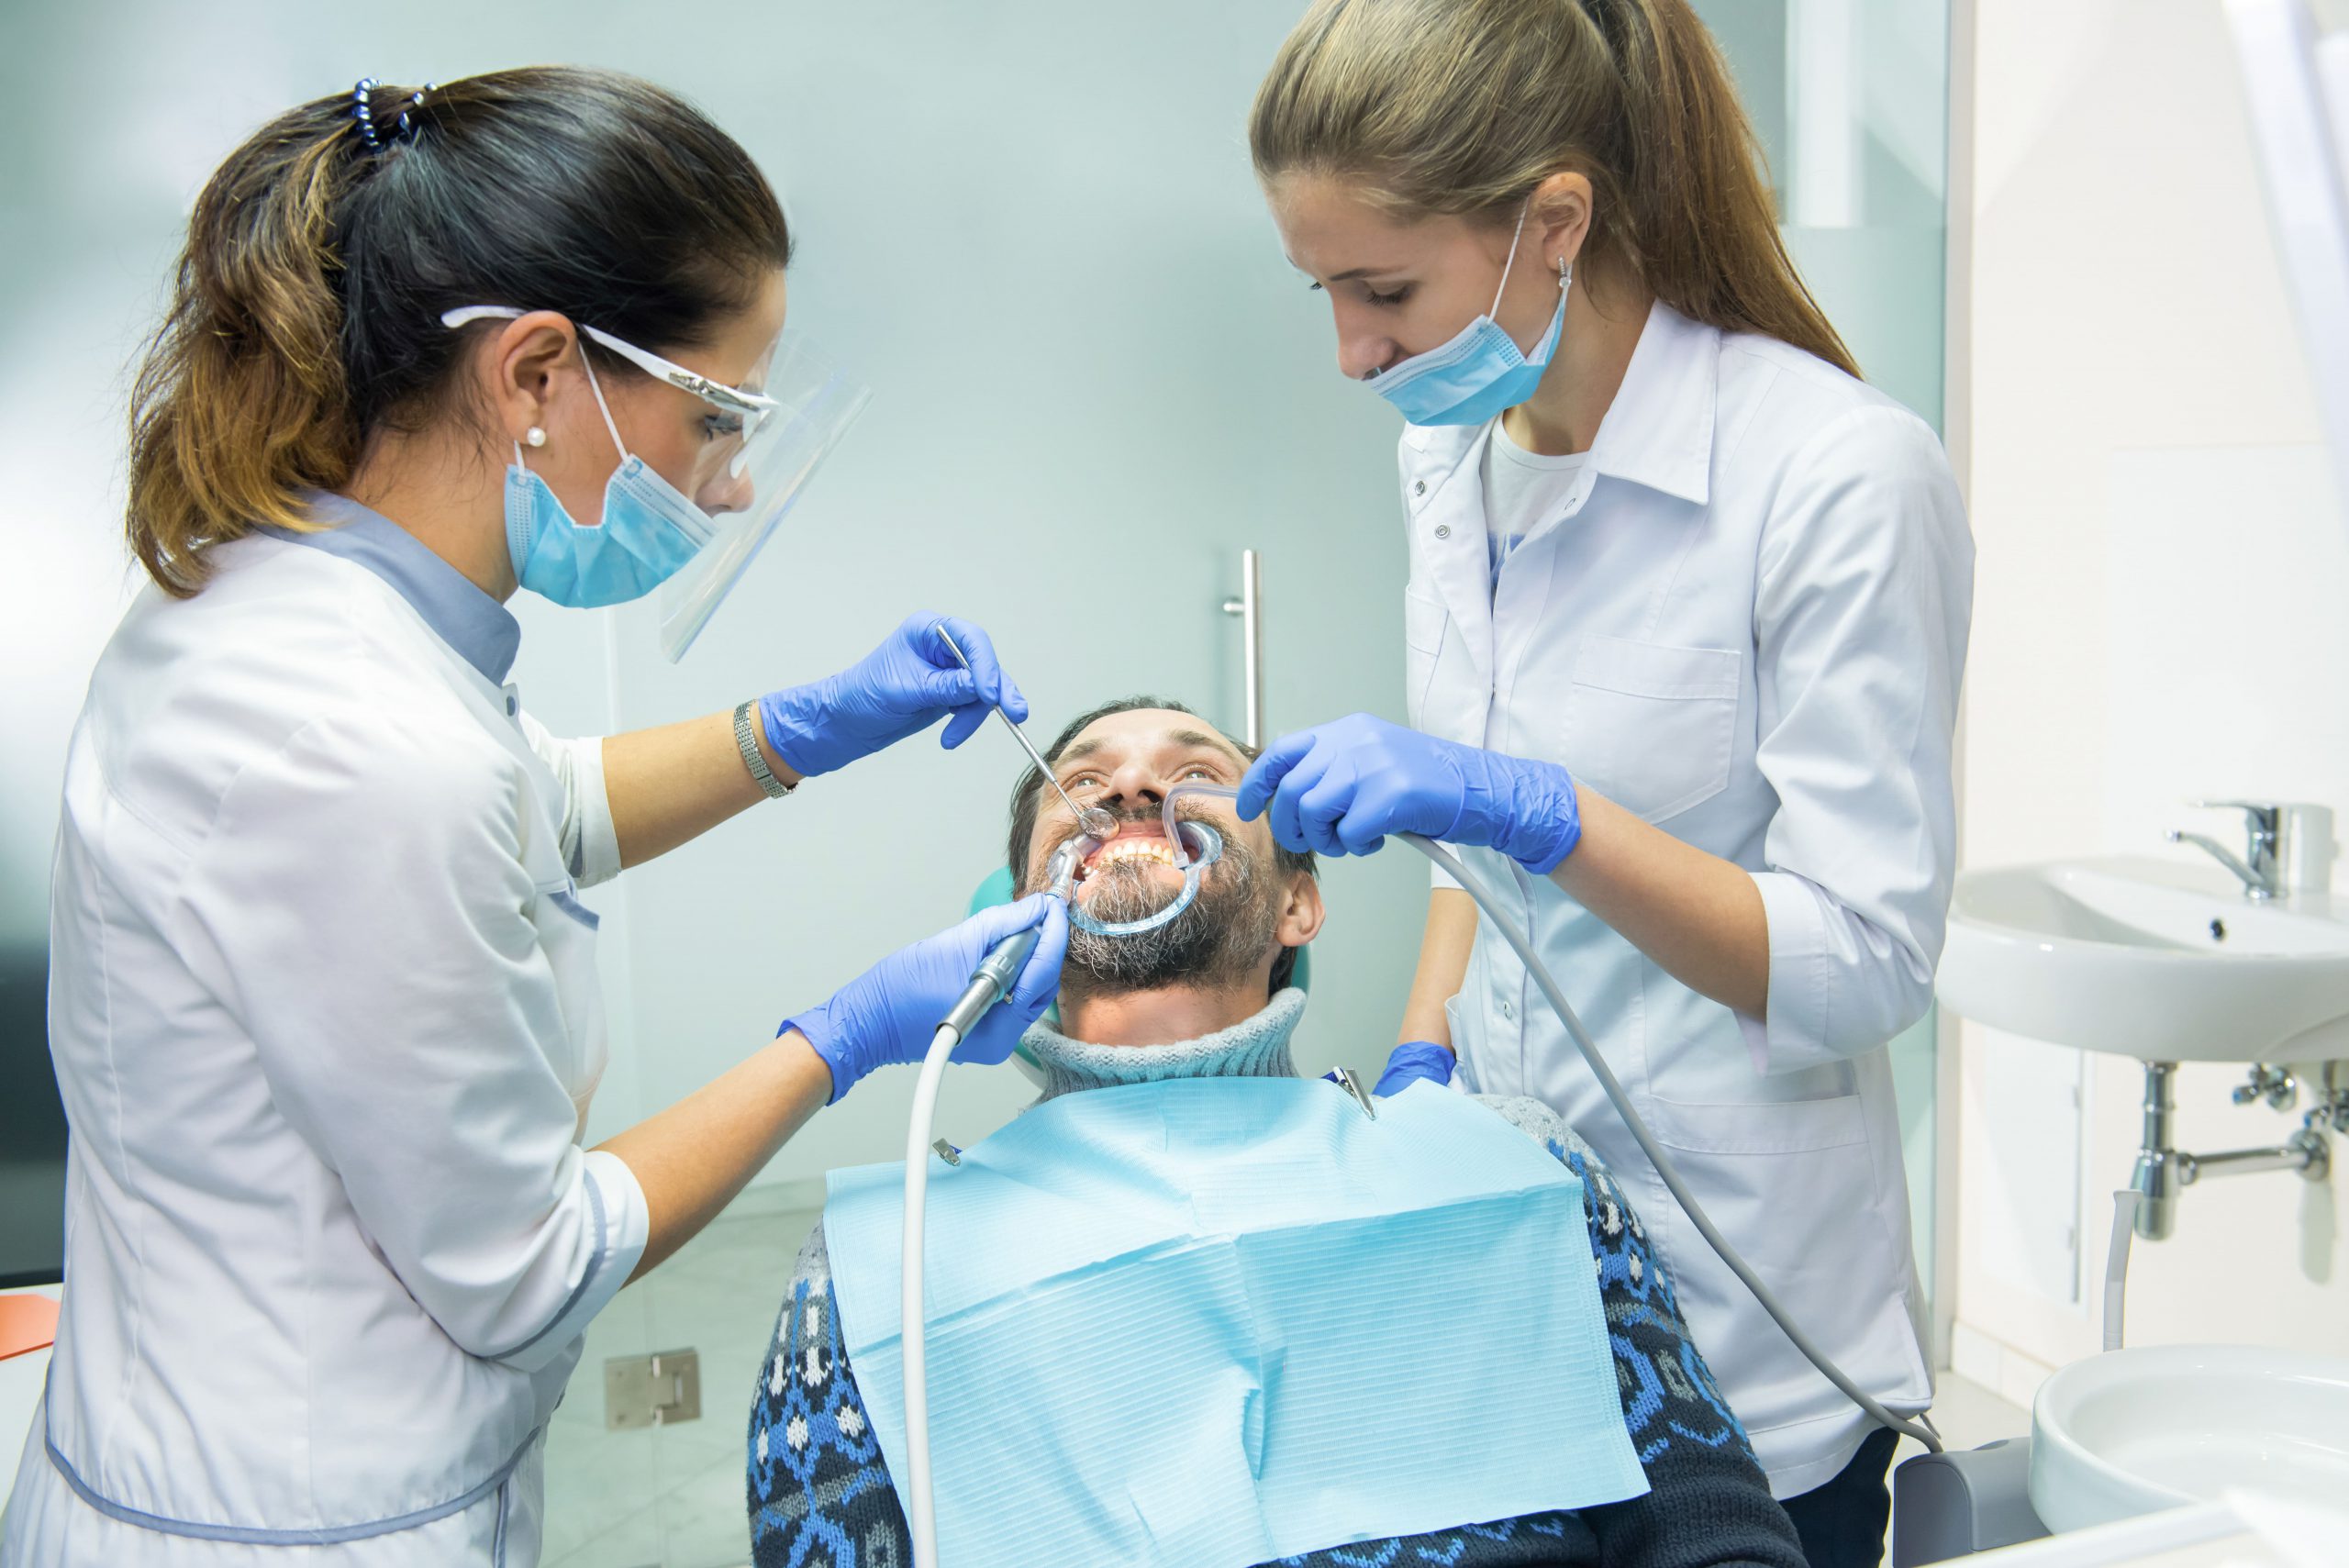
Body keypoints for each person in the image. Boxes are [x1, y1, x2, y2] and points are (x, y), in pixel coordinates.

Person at [3, 70, 1065, 1566]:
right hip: (290, 1523)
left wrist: (800, 730)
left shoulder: (294, 603)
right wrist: (839, 1036)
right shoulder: (355, 738)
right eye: (715, 416)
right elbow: (531, 1266)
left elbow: (528, 801)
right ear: (538, 375)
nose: (736, 477)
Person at [1241, 4, 1973, 1562]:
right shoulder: (1449, 453)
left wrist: (1545, 811)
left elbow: (1862, 965)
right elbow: (1470, 857)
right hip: (1515, 1279)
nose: (1352, 354)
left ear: (1554, 221)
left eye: (1383, 290)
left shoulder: (1835, 474)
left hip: (1749, 1313)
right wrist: (1424, 1042)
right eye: (1321, 292)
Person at [745, 699, 1809, 1568]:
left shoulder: (1520, 1158)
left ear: (1301, 903)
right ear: (1019, 907)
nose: (1131, 786)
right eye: (1082, 778)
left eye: (1194, 766)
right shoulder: (881, 1256)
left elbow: (1710, 1528)